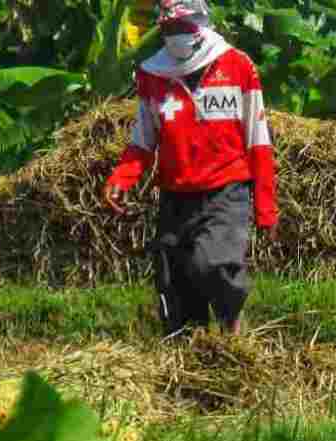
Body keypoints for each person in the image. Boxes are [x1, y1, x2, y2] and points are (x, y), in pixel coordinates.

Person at [103, 0, 278, 338]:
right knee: (174, 286)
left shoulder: (237, 66)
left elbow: (258, 140)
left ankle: (233, 332)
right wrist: (121, 177)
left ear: (202, 25)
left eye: (182, 28)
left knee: (212, 264)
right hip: (175, 194)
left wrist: (265, 207)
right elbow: (143, 138)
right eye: (168, 30)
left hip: (226, 191)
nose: (176, 36)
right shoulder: (153, 75)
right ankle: (187, 357)